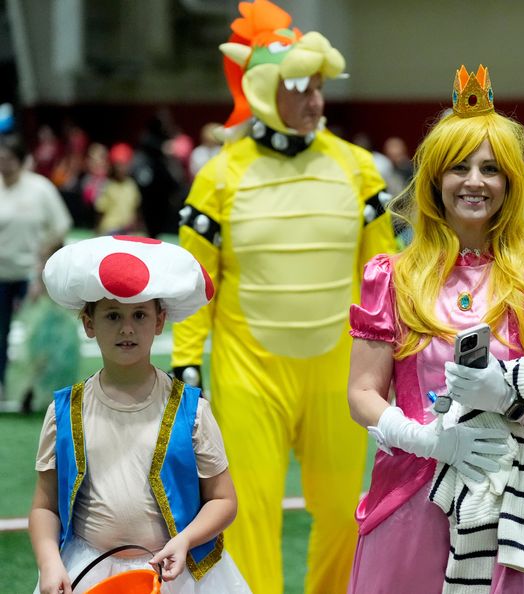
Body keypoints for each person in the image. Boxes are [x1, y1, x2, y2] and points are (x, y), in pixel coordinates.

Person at [170, 2, 398, 593]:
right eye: (302, 87)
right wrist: (187, 362)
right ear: (268, 89)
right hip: (250, 372)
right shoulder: (219, 175)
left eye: (320, 88)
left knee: (348, 509)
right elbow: (197, 281)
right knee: (244, 511)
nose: (315, 101)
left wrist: (400, 353)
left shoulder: (358, 168)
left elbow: (383, 275)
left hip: (339, 372)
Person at [346, 64, 524, 594]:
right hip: (413, 492)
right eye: (458, 168)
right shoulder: (392, 277)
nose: (474, 182)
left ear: (510, 183)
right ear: (434, 179)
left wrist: (512, 396)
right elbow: (362, 391)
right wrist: (426, 439)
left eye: (490, 169)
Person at [29, 235, 251, 594]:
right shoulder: (65, 411)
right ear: (89, 323)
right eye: (113, 315)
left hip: (178, 572)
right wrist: (49, 561)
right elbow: (44, 507)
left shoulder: (191, 411)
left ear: (160, 321)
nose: (127, 328)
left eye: (139, 315)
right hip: (88, 568)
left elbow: (224, 500)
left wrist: (187, 539)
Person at [0, 135, 72, 403]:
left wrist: (45, 264)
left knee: (37, 335)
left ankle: (34, 390)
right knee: (1, 335)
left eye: (8, 158)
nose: (3, 163)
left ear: (20, 160)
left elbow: (61, 225)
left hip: (33, 276)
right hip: (1, 275)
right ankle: (4, 386)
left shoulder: (40, 189)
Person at [94, 142, 142, 235]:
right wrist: (97, 232)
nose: (121, 168)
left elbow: (136, 211)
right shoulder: (107, 185)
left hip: (128, 231)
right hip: (109, 230)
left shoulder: (131, 185)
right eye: (118, 164)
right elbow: (100, 211)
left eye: (124, 164)